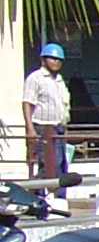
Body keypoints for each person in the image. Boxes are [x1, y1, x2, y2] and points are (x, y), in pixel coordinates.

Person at [21, 41, 70, 182]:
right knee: (49, 164)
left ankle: (54, 195)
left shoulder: (59, 80)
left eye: (59, 60)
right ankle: (37, 192)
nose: (56, 62)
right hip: (42, 127)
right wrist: (30, 129)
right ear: (43, 60)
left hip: (58, 127)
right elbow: (27, 103)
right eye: (53, 58)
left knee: (60, 164)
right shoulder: (35, 79)